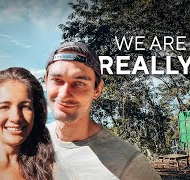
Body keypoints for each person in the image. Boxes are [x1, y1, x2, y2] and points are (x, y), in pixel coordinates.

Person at [45, 42, 161, 180]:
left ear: (97, 89)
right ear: (46, 81)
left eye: (79, 83)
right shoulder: (29, 141)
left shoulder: (129, 164)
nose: (64, 94)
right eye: (57, 80)